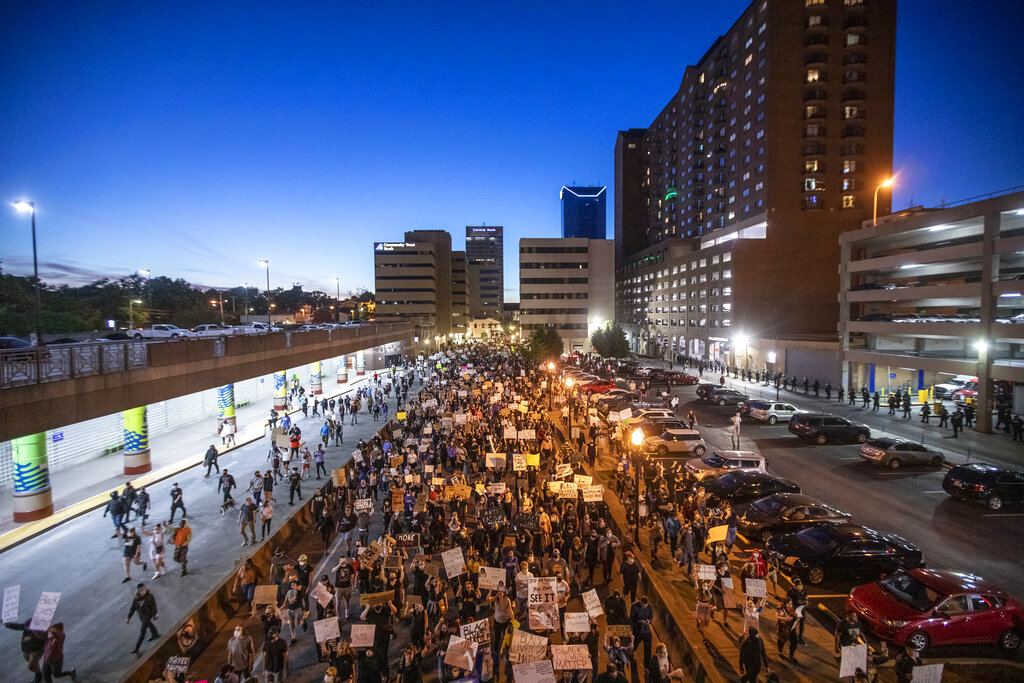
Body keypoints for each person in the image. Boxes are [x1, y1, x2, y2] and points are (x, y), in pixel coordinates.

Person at [5, 617, 46, 682]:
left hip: (36, 651)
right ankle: (39, 676)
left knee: (31, 666)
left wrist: (31, 638)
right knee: (34, 664)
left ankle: (39, 674)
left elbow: (44, 637)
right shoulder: (29, 623)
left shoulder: (41, 628)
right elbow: (20, 626)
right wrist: (10, 625)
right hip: (26, 648)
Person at [127, 583, 159, 654]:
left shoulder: (149, 596)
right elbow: (133, 608)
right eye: (141, 590)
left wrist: (154, 614)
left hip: (147, 616)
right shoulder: (136, 599)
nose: (143, 591)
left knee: (142, 633)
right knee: (149, 624)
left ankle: (137, 648)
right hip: (141, 616)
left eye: (144, 589)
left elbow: (153, 606)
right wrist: (129, 617)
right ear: (138, 591)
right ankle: (155, 633)